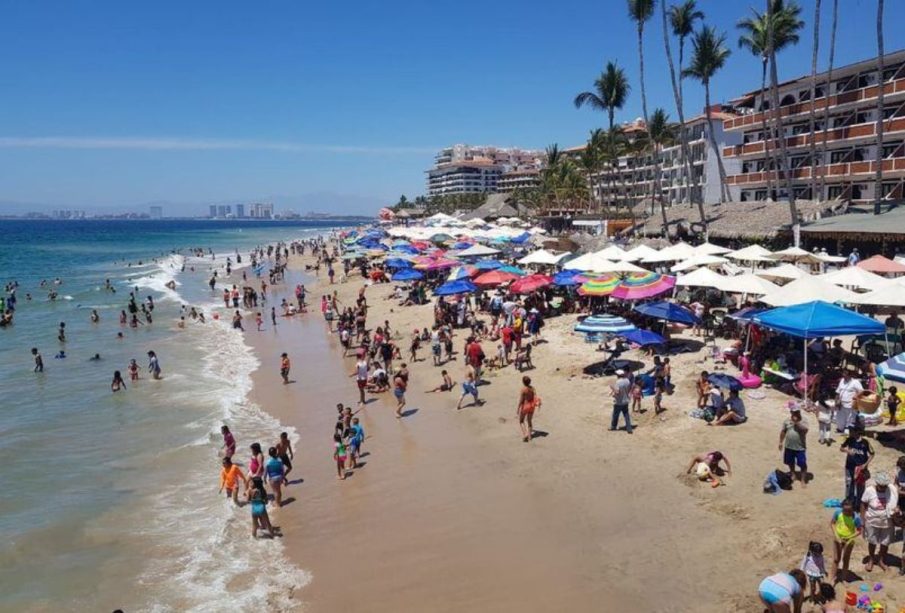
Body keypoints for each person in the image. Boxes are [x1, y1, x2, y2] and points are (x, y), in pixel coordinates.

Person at [861, 471, 898, 572]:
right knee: (872, 541)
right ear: (877, 484)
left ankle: (881, 560)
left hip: (887, 521)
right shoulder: (869, 491)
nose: (883, 488)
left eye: (885, 486)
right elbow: (863, 504)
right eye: (881, 486)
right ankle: (871, 559)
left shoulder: (892, 490)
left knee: (885, 543)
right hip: (872, 521)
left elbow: (896, 502)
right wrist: (862, 520)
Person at [829, 498, 862, 583]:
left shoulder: (856, 518)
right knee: (836, 559)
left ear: (853, 509)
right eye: (845, 511)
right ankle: (832, 577)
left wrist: (850, 537)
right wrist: (836, 536)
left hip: (849, 540)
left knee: (846, 559)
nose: (847, 513)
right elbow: (832, 523)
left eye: (849, 511)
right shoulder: (838, 513)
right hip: (838, 538)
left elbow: (859, 530)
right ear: (842, 508)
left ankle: (843, 578)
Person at [841, 426, 874, 504]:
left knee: (860, 486)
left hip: (861, 469)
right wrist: (847, 451)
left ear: (857, 432)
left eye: (851, 431)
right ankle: (849, 501)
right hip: (849, 466)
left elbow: (872, 454)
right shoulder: (849, 440)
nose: (849, 433)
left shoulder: (865, 442)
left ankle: (859, 503)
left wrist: (865, 464)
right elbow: (841, 448)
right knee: (849, 484)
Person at [780, 407, 809, 488]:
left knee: (802, 463)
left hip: (800, 447)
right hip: (789, 446)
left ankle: (803, 480)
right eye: (793, 412)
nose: (795, 413)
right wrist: (780, 442)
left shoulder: (804, 420)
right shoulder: (787, 420)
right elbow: (783, 431)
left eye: (796, 412)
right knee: (790, 461)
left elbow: (805, 430)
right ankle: (793, 474)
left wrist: (796, 423)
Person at [517, 376, 540, 443]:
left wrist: (518, 408)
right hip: (532, 406)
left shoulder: (523, 389)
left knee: (521, 421)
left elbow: (521, 400)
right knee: (529, 421)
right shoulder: (533, 388)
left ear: (523, 382)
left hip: (525, 406)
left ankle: (525, 434)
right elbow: (535, 396)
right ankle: (530, 437)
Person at [609, 370, 633, 434]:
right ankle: (629, 428)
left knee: (615, 415)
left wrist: (612, 388)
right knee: (626, 415)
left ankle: (613, 427)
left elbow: (617, 392)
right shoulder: (627, 381)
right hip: (626, 401)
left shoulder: (618, 382)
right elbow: (629, 389)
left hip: (619, 402)